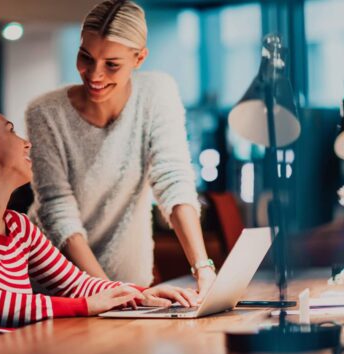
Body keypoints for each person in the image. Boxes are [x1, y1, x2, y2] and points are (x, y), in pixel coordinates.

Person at [0, 106, 198, 353]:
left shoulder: (18, 226)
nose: (26, 143)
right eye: (11, 131)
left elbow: (78, 284)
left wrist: (141, 294)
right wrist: (86, 306)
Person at [26, 0, 215, 291]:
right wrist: (108, 291)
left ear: (139, 59)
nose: (94, 74)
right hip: (61, 286)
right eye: (85, 57)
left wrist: (202, 268)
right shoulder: (45, 113)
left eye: (112, 64)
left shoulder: (156, 93)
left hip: (130, 281)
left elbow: (173, 180)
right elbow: (57, 211)